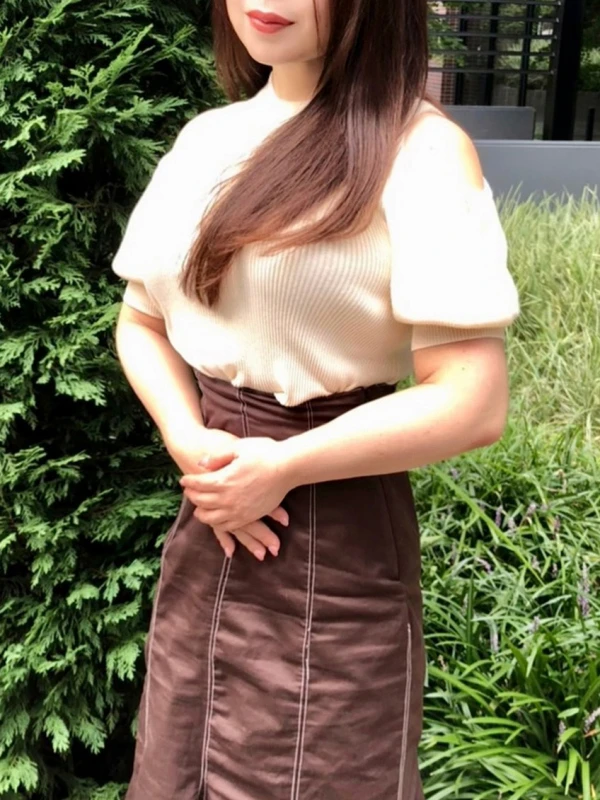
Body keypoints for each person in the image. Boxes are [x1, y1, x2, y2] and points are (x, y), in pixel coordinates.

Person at [111, 0, 520, 797]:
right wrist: (187, 437)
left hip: (334, 539)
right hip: (212, 524)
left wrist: (283, 466)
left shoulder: (419, 150)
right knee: (177, 770)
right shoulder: (206, 139)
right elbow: (141, 322)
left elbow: (473, 401)